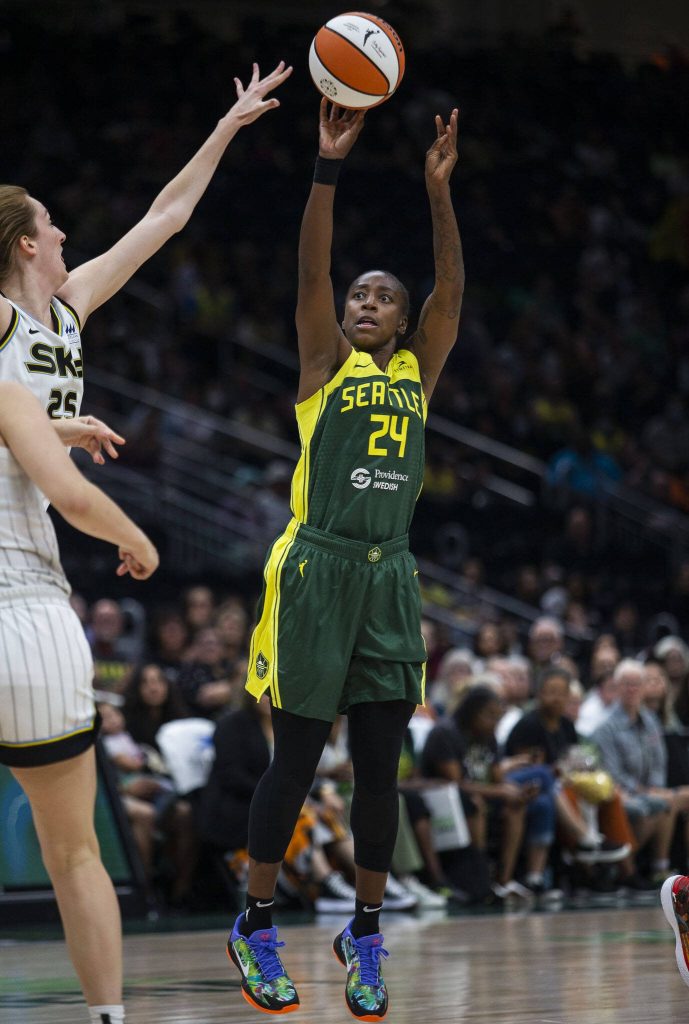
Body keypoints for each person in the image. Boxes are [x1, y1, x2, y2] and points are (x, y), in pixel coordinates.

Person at [226, 99, 463, 1020]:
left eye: (381, 298)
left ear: (403, 323)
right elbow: (309, 268)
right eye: (358, 295)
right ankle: (254, 919)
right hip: (315, 572)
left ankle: (365, 933)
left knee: (379, 772)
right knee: (294, 763)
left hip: (388, 576)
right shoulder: (323, 363)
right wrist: (327, 167)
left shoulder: (417, 372)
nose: (363, 304)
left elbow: (452, 290)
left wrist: (437, 192)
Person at [0, 61, 291, 428]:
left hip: (43, 486)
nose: (62, 234)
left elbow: (165, 216)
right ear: (26, 243)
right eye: (49, 222)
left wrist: (228, 125)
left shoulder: (70, 305)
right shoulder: (5, 316)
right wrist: (55, 433)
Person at [0, 381, 159, 1024]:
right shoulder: (9, 393)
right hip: (24, 620)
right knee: (73, 854)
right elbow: (70, 496)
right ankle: (106, 1017)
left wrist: (53, 429)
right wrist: (139, 542)